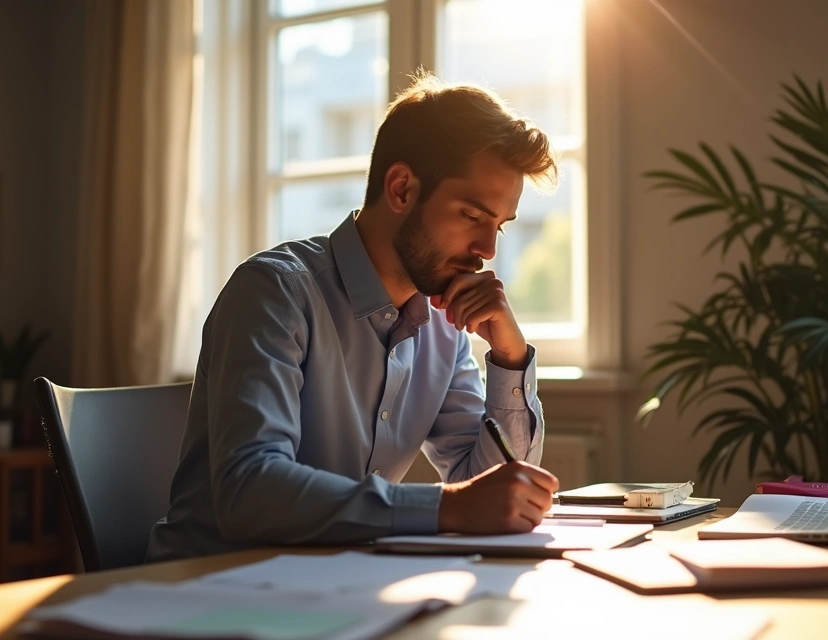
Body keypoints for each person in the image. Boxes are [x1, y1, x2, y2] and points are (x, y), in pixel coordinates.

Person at [146, 73, 560, 562]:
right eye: (472, 216)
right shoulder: (275, 292)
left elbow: (490, 492)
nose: (487, 251)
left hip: (339, 589)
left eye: (499, 227)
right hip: (204, 595)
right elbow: (250, 491)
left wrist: (510, 359)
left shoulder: (443, 330)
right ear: (402, 188)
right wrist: (446, 508)